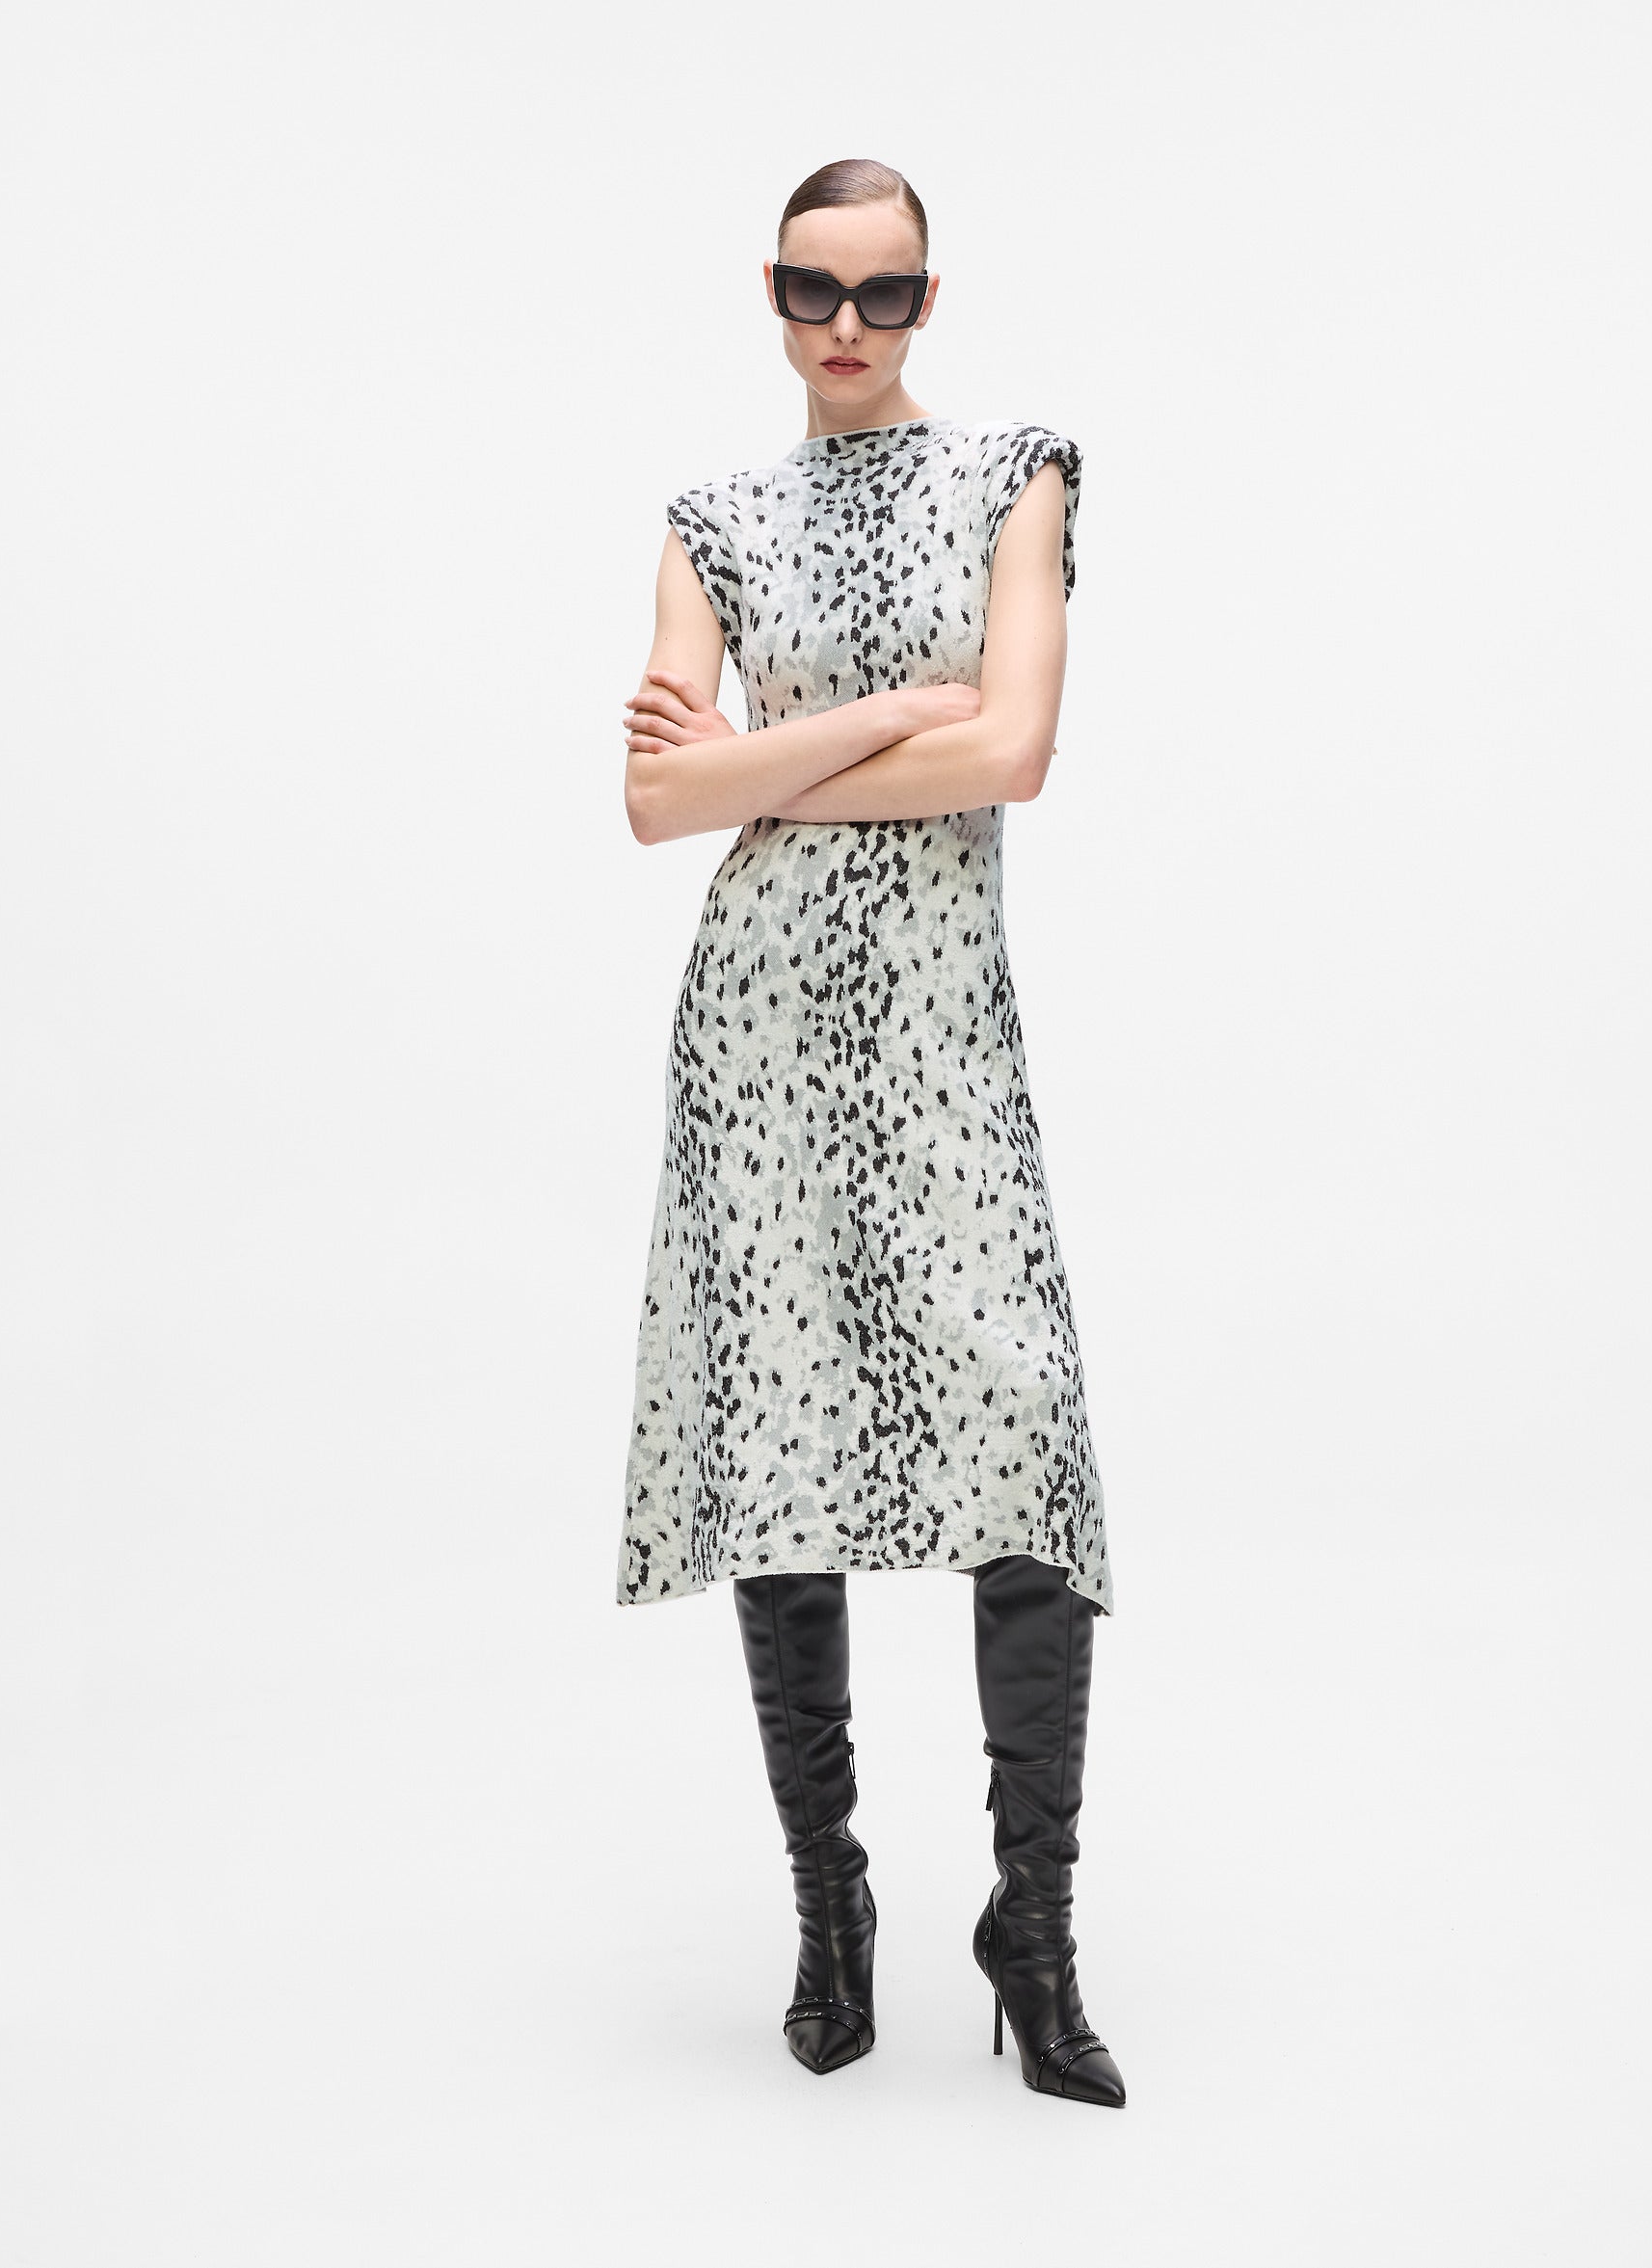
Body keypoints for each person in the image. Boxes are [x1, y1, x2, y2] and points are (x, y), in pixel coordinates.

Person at [616, 156, 1124, 2108]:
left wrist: (758, 758)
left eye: (884, 293)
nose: (847, 327)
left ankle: (1033, 1928)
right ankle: (830, 1914)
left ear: (928, 298)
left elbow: (1013, 752)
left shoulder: (1015, 475)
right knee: (786, 1447)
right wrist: (875, 720)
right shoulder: (712, 519)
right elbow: (654, 808)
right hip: (756, 1031)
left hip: (939, 1023)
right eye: (813, 291)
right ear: (771, 294)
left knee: (1025, 1440)